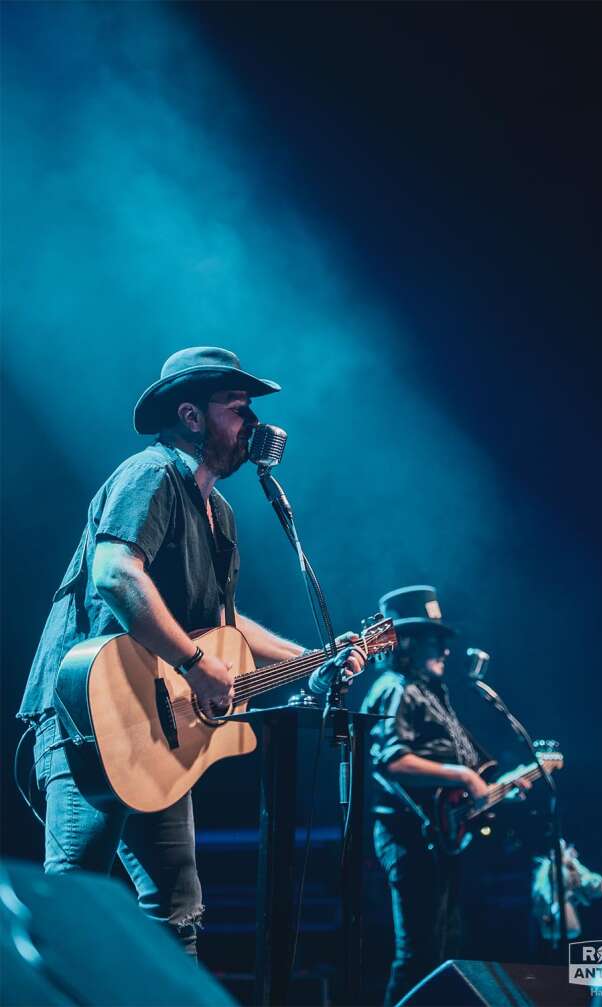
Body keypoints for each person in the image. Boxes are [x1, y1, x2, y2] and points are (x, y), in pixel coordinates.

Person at [18, 345, 365, 958]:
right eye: (238, 408)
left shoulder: (221, 514)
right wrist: (195, 663)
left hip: (160, 732)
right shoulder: (149, 474)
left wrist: (316, 659)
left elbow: (227, 626)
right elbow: (116, 575)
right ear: (192, 415)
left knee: (178, 913)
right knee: (71, 905)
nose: (253, 425)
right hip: (90, 716)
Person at [361, 585, 529, 1006]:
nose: (446, 651)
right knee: (419, 955)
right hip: (409, 837)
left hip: (438, 836)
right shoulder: (394, 687)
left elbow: (459, 780)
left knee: (446, 951)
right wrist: (461, 775)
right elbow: (390, 761)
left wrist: (496, 791)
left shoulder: (433, 694)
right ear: (411, 641)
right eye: (437, 640)